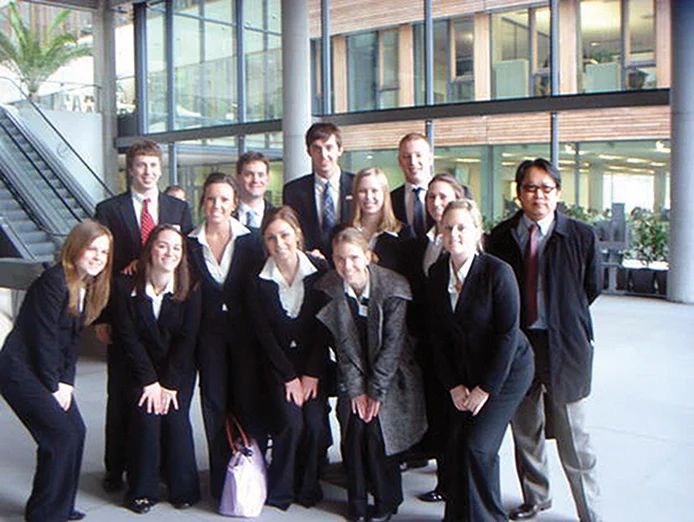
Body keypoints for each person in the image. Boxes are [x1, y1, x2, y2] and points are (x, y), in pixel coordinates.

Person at [486, 158, 603, 522]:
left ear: (558, 193)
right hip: (519, 346)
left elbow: (591, 288)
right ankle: (536, 498)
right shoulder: (501, 236)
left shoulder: (581, 236)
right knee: (525, 429)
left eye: (546, 188)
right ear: (518, 193)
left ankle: (590, 511)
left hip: (565, 346)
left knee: (575, 437)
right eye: (530, 188)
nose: (538, 195)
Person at [95, 139, 193, 493]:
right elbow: (102, 268)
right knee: (121, 394)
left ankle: (161, 465)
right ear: (130, 169)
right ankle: (114, 467)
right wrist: (102, 317)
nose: (148, 172)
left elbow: (184, 258)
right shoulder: (109, 209)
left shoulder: (177, 208)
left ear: (161, 168)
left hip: (164, 312)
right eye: (141, 165)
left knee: (162, 390)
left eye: (153, 165)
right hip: (124, 311)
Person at [427, 200, 534, 522]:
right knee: (456, 445)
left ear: (477, 232)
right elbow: (438, 338)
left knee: (478, 447)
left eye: (462, 227)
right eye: (448, 227)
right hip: (464, 373)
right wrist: (454, 386)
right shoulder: (436, 274)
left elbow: (507, 336)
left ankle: (489, 518)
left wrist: (484, 390)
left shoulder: (497, 272)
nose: (454, 234)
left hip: (506, 372)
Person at [0, 220, 112, 522]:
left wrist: (67, 383)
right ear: (76, 246)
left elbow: (71, 342)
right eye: (93, 248)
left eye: (104, 251)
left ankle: (59, 507)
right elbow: (43, 339)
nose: (99, 256)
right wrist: (53, 386)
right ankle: (44, 513)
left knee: (75, 431)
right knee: (60, 435)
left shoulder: (83, 285)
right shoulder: (53, 281)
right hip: (18, 370)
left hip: (46, 372)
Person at [315, 228, 427, 522]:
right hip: (351, 373)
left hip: (392, 374)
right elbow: (341, 347)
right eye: (339, 259)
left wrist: (375, 392)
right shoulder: (329, 288)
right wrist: (356, 391)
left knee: (378, 430)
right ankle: (356, 499)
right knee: (353, 429)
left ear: (367, 256)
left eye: (353, 257)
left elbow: (392, 347)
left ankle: (386, 500)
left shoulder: (393, 286)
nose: (347, 266)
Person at [112, 224, 201, 514]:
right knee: (147, 418)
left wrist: (170, 384)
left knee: (175, 419)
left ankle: (183, 488)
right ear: (150, 248)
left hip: (177, 372)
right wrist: (150, 382)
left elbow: (187, 341)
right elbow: (128, 338)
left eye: (176, 248)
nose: (169, 253)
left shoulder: (192, 288)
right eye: (162, 245)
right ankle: (142, 490)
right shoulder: (125, 287)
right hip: (140, 371)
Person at [186, 172, 265, 499]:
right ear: (202, 202)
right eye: (210, 198)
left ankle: (252, 473)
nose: (216, 205)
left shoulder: (252, 240)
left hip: (246, 339)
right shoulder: (189, 243)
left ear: (235, 203)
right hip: (209, 340)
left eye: (223, 199)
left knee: (247, 404)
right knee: (214, 405)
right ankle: (223, 479)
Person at [247, 206, 329, 511]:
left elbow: (324, 328)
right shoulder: (257, 278)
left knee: (315, 424)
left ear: (298, 234)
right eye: (270, 238)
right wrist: (289, 376)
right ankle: (281, 489)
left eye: (284, 235)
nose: (279, 243)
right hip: (276, 368)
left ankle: (307, 486)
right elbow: (263, 334)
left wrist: (311, 373)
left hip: (313, 366)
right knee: (291, 423)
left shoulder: (320, 270)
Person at [402, 173, 471, 501]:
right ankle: (444, 479)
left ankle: (452, 484)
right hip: (429, 340)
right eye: (430, 197)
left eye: (443, 197)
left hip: (458, 344)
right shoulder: (424, 239)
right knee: (438, 413)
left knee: (453, 417)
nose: (435, 203)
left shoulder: (464, 242)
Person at [283, 122, 355, 260]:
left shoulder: (356, 185)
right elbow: (293, 231)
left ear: (340, 150)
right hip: (310, 264)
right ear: (309, 151)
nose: (323, 154)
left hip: (350, 263)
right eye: (317, 148)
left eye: (329, 147)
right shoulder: (293, 191)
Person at [349, 167, 413, 274]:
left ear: (384, 194)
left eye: (374, 191)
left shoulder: (404, 234)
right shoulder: (343, 232)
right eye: (362, 191)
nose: (368, 197)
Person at [391, 133, 434, 237]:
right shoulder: (390, 200)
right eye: (406, 156)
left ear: (430, 159)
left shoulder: (451, 194)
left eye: (418, 155)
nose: (413, 162)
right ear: (399, 161)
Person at [235, 151, 274, 230]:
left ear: (268, 178)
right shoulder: (226, 214)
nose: (255, 180)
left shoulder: (276, 216)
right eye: (249, 174)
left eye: (261, 175)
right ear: (238, 178)